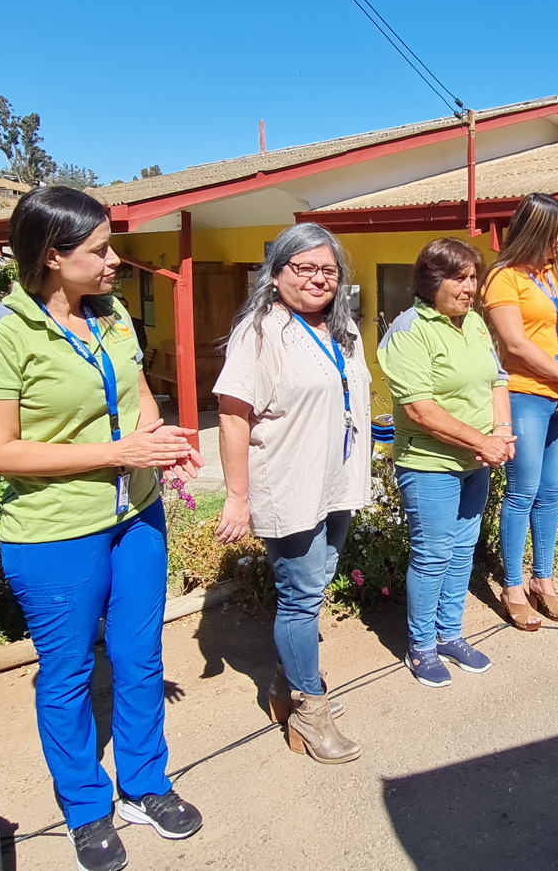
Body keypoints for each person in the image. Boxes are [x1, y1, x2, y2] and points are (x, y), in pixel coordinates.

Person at [0, 187, 204, 871]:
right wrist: (115, 453)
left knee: (140, 657)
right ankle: (86, 809)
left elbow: (137, 392)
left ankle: (145, 786)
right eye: (98, 251)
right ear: (52, 257)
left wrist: (158, 434)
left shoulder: (113, 314)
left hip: (137, 517)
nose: (114, 261)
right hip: (55, 533)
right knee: (66, 676)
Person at [213, 223, 370, 764]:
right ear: (276, 274)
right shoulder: (260, 332)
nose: (317, 279)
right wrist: (237, 495)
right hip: (290, 483)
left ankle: (287, 687)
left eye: (328, 270)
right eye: (303, 268)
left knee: (316, 586)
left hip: (336, 482)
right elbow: (233, 416)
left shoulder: (341, 330)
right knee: (300, 596)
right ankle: (309, 708)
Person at [378, 238, 513, 687]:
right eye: (459, 278)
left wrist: (501, 433)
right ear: (432, 281)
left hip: (476, 461)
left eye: (474, 277)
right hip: (430, 463)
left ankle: (450, 634)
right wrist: (482, 440)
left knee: (461, 552)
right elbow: (419, 408)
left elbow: (497, 378)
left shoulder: (473, 323)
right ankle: (420, 647)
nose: (469, 287)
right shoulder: (408, 330)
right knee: (433, 555)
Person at [482, 194, 558, 630]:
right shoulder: (503, 278)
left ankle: (542, 581)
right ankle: (511, 585)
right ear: (537, 231)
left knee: (550, 494)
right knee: (522, 493)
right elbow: (515, 345)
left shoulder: (556, 275)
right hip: (525, 395)